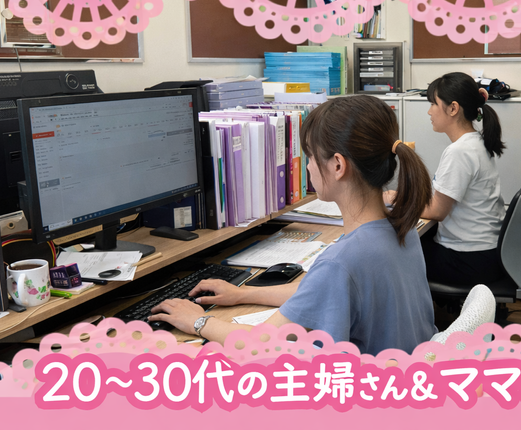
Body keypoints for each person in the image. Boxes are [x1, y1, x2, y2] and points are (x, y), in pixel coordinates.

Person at [149, 95, 438, 355]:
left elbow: (262, 344)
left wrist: (199, 321)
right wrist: (242, 294)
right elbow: (319, 294)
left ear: (338, 166)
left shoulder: (342, 262)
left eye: (310, 156)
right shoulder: (402, 225)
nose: (308, 166)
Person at [385, 72, 507, 287]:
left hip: (469, 259)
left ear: (453, 108)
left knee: (393, 254)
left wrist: (395, 200)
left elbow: (437, 212)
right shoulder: (476, 143)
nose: (429, 111)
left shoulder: (459, 151)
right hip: (485, 254)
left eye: (433, 103)